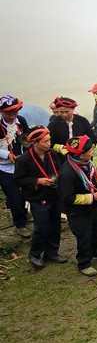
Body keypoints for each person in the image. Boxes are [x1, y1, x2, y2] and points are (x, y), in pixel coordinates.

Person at [13, 125, 66, 268]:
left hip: (53, 194)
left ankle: (51, 253)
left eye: (49, 140)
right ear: (34, 143)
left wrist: (55, 178)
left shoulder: (52, 154)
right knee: (42, 226)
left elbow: (59, 169)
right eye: (45, 141)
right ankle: (35, 254)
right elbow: (18, 180)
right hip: (38, 197)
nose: (49, 143)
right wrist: (38, 181)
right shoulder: (23, 160)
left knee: (55, 225)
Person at [58, 135, 97, 277]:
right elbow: (67, 198)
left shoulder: (87, 162)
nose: (92, 152)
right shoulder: (67, 173)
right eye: (89, 151)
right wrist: (92, 197)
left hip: (95, 205)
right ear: (80, 155)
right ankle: (84, 262)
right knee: (84, 236)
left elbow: (95, 176)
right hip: (78, 211)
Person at [0, 94, 31, 237]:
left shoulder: (21, 121)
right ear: (1, 112)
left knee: (25, 192)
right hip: (4, 167)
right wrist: (7, 155)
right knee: (14, 197)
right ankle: (20, 225)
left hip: (22, 164)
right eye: (8, 113)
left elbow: (26, 139)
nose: (12, 116)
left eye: (15, 112)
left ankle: (25, 214)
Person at [48, 96, 95, 161]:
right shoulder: (53, 124)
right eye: (61, 112)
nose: (64, 115)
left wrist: (85, 152)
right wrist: (59, 148)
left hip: (81, 158)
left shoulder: (82, 121)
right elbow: (49, 142)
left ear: (73, 109)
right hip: (62, 159)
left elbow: (92, 138)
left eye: (67, 112)